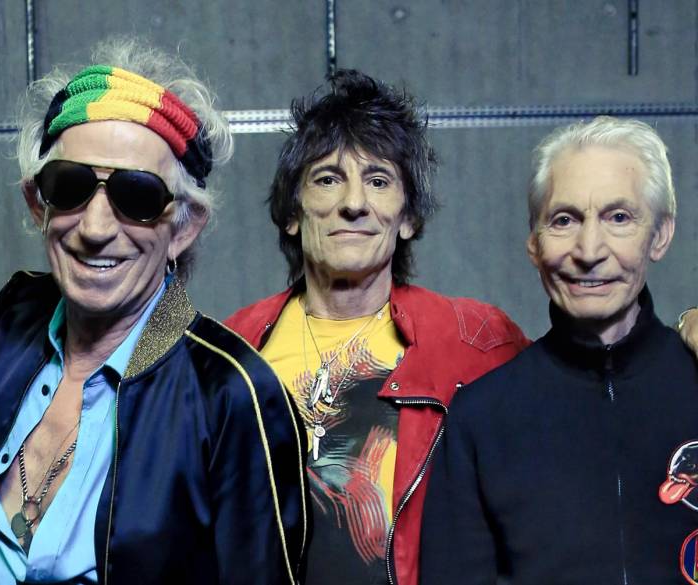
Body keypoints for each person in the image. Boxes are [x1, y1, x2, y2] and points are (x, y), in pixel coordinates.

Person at [0, 39, 307, 584]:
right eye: (69, 186)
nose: (95, 229)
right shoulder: (7, 328)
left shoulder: (231, 395)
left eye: (137, 196)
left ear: (183, 227)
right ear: (37, 204)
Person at [224, 70, 530, 585]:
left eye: (379, 180)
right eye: (327, 179)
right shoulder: (232, 350)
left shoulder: (478, 342)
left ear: (407, 217)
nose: (354, 203)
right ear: (292, 213)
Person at [419, 116, 698, 584]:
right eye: (564, 220)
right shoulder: (481, 420)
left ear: (661, 234)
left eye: (619, 218)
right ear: (534, 243)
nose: (589, 250)